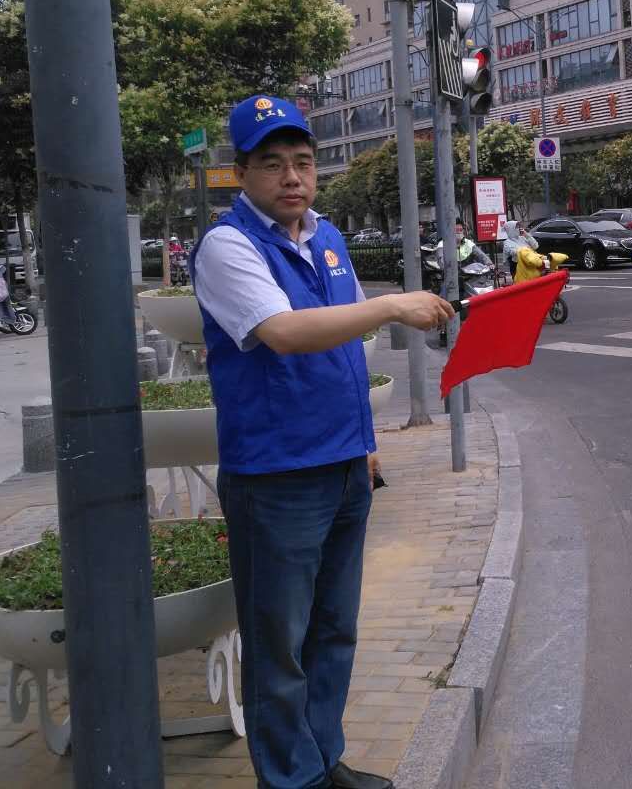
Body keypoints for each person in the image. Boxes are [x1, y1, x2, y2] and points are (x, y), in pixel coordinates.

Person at [193, 95, 454, 789]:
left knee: (334, 631)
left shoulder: (328, 237)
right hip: (277, 476)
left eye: (303, 162)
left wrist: (366, 441)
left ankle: (322, 762)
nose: (292, 177)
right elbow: (283, 332)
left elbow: (345, 348)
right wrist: (392, 304)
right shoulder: (228, 246)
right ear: (242, 173)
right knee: (279, 644)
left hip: (343, 467)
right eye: (272, 163)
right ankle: (291, 779)